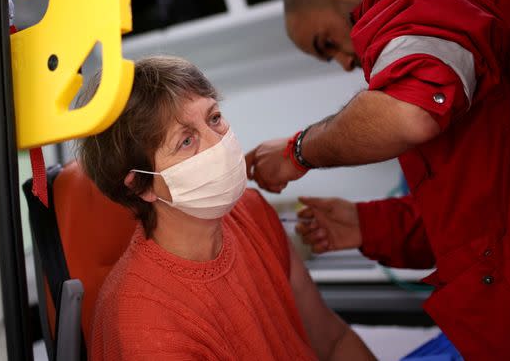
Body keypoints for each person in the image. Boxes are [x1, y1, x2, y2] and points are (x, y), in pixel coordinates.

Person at [245, 0, 510, 359]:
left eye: (326, 43)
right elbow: (487, 205)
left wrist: (297, 151)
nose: (344, 64)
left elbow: (409, 114)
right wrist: (368, 226)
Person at [76, 56, 375, 360]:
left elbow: (333, 341)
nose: (216, 142)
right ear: (142, 185)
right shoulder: (144, 323)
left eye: (214, 118)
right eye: (187, 140)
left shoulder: (252, 210)